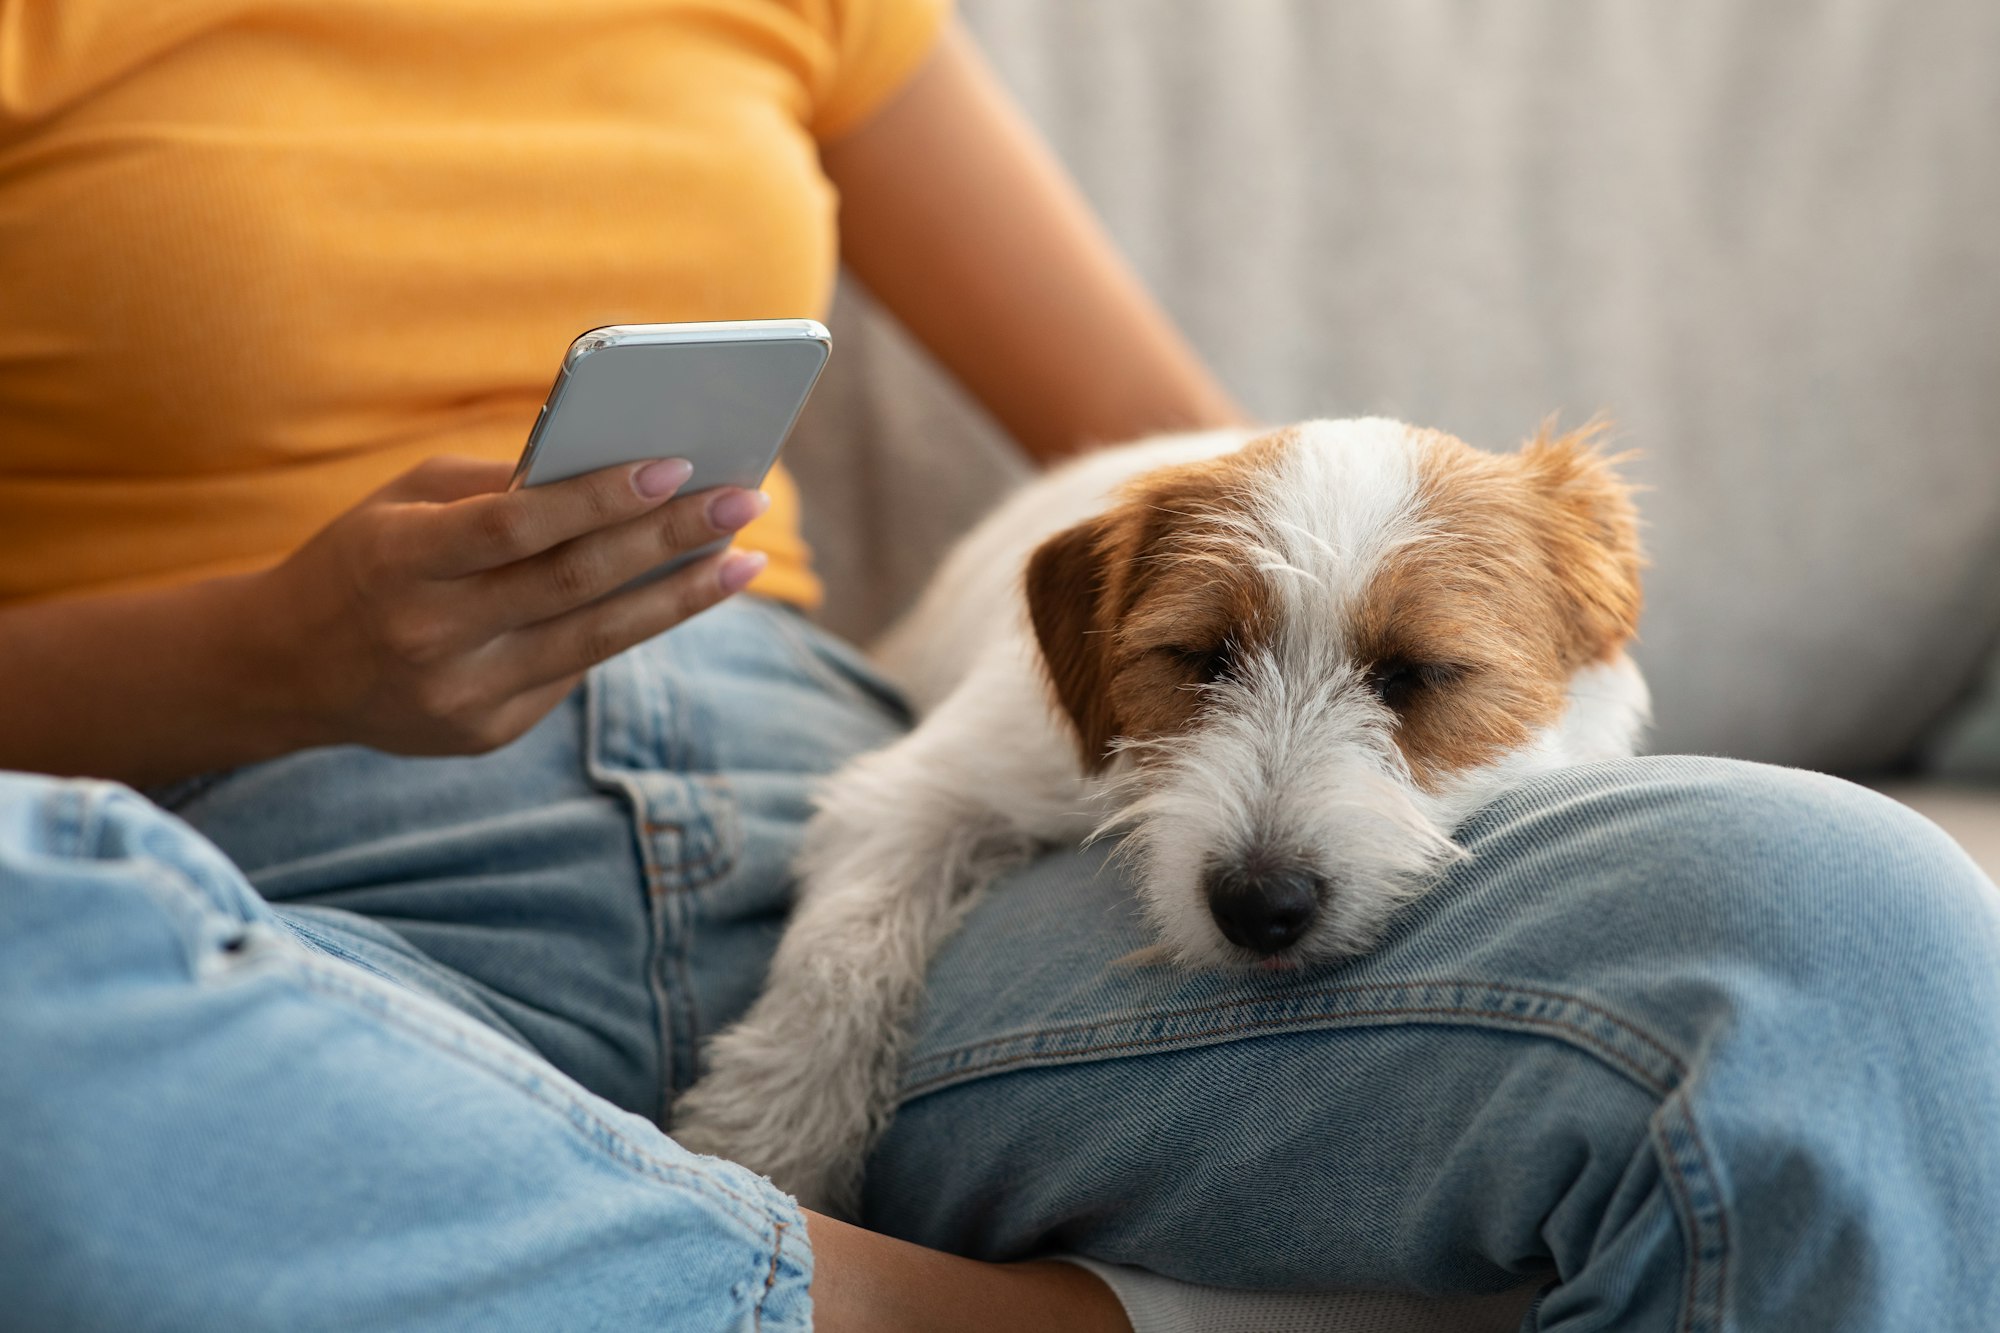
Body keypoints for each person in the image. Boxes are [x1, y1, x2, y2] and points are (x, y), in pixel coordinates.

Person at [3, 3, 1997, 1330]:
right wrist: (274, 654)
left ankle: (585, 1250)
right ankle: (983, 1314)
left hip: (908, 850)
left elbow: (1203, 475)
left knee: (1852, 926)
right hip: (293, 887)